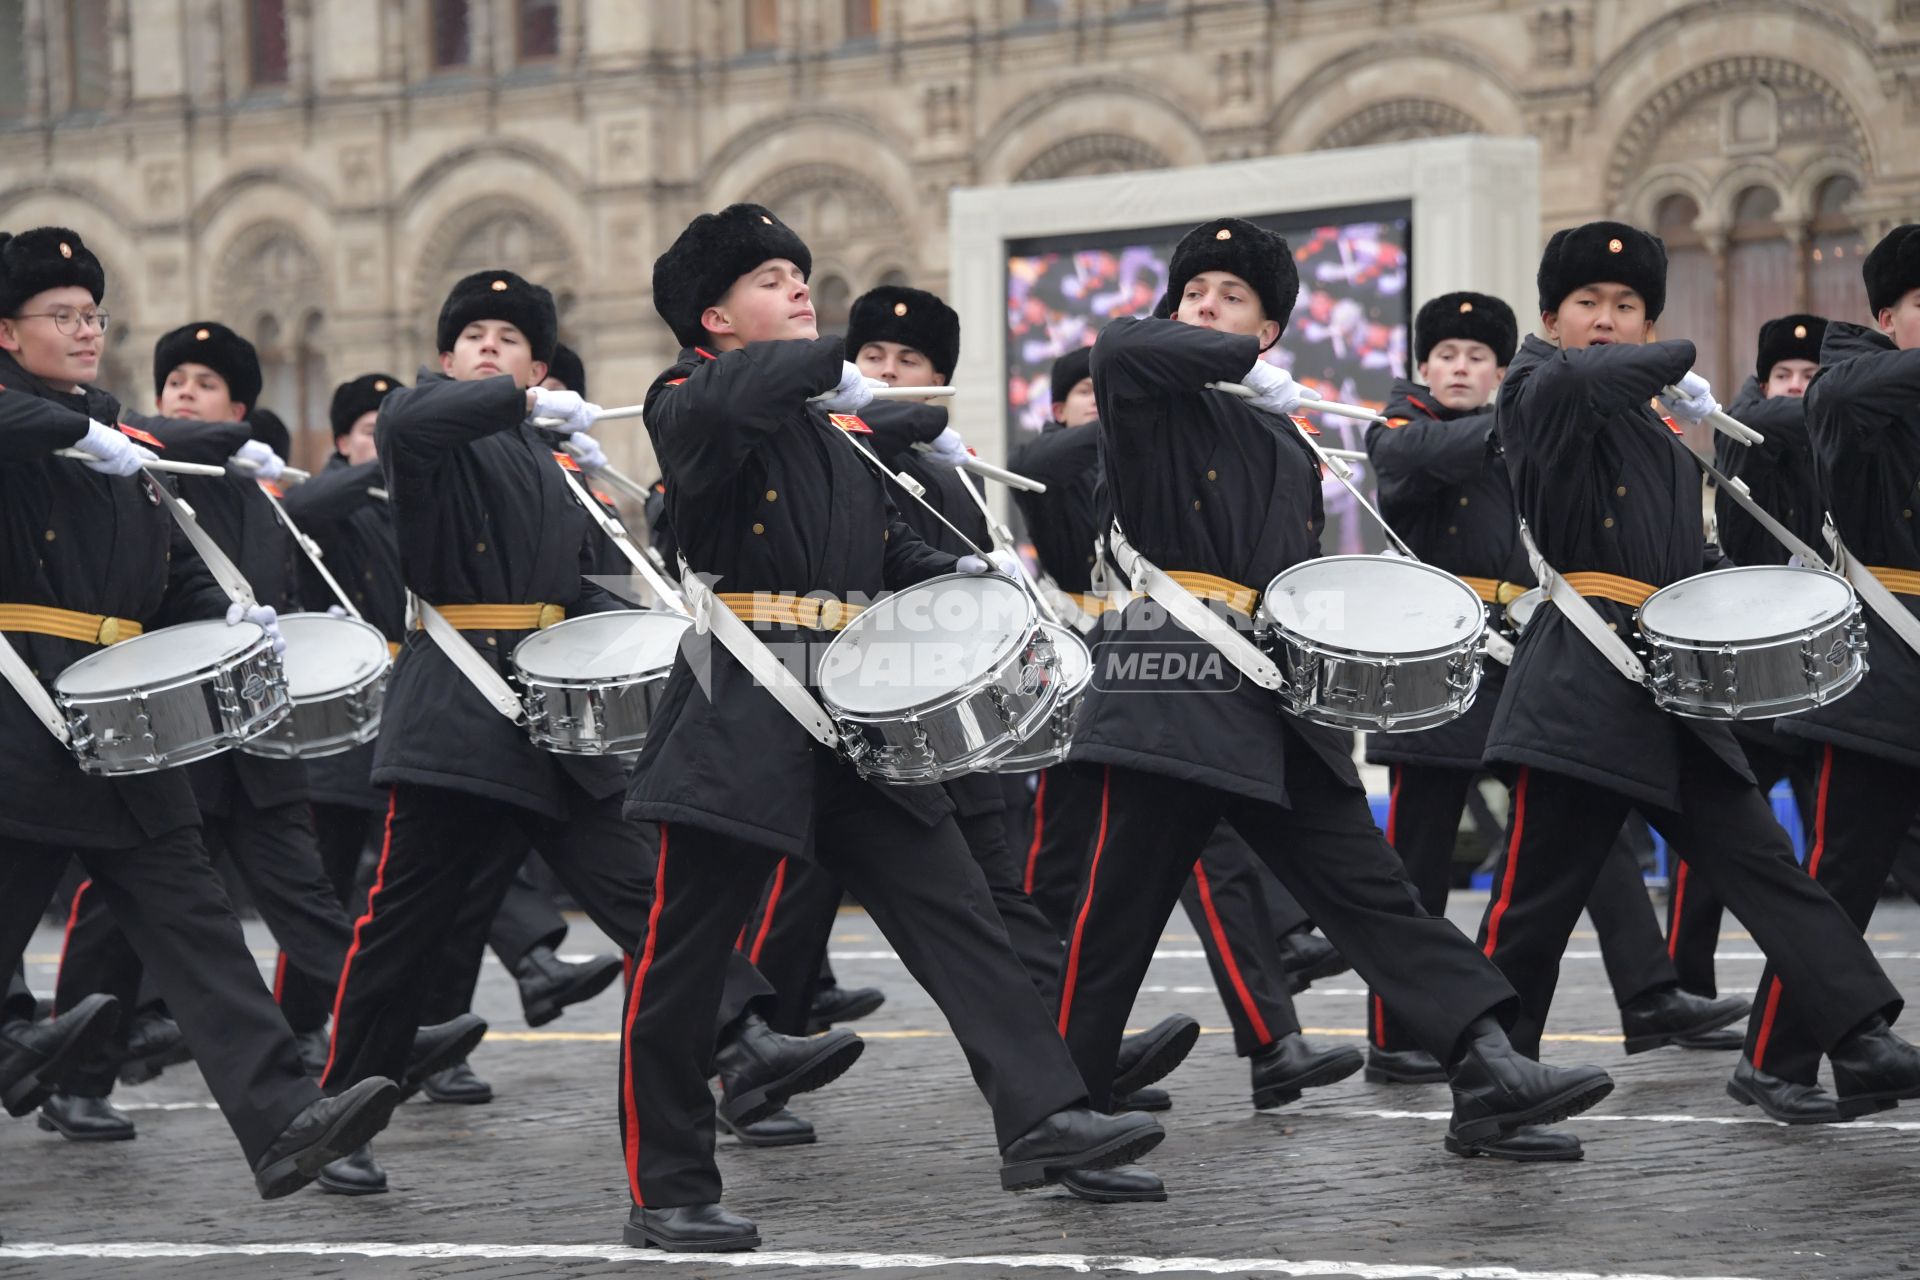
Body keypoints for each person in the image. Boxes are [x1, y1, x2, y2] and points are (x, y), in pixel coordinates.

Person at [624, 203, 1163, 1250]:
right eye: (771, 279)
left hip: (853, 710)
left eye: (800, 273)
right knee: (687, 955)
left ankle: (1044, 1115)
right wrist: (841, 372)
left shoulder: (832, 430)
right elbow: (732, 406)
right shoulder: (690, 400)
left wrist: (967, 575)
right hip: (743, 702)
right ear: (714, 318)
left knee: (958, 911)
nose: (796, 288)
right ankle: (667, 1182)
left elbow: (876, 556)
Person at [1056, 214, 1613, 1168]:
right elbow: (1121, 342)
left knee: (1375, 891)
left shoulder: (1285, 436)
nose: (1205, 306)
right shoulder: (1147, 387)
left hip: (1271, 691)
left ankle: (1482, 1063)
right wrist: (1229, 353)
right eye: (1194, 293)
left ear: (1273, 329)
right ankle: (1058, 1103)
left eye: (1233, 299)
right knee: (1117, 912)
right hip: (1167, 674)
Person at [318, 265, 860, 1204]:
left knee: (646, 887)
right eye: (474, 339)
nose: (491, 349)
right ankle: (342, 1114)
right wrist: (511, 399)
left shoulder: (547, 462)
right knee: (401, 928)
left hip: (550, 713)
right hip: (457, 705)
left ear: (539, 362)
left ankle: (744, 1041)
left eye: (512, 340)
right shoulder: (431, 425)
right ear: (448, 358)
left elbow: (588, 592)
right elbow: (412, 423)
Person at [1474, 218, 1920, 1122]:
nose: (1608, 320)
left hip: (1671, 686)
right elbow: (1590, 382)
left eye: (1628, 306)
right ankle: (1491, 1079)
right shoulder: (1534, 384)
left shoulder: (1662, 426)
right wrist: (1672, 356)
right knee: (1532, 908)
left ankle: (1859, 1039)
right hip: (1581, 678)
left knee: (1768, 869)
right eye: (1589, 304)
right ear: (1552, 317)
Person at [0, 225, 400, 1199]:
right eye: (62, 316)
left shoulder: (114, 432)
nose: (87, 330)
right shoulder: (49, 428)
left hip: (121, 718)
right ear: (8, 332)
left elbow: (164, 562)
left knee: (198, 923)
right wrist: (69, 428)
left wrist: (225, 618)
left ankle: (281, 1117)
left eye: (93, 314)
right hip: (18, 718)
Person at [1362, 292, 1746, 1086]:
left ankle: (1649, 992)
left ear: (1500, 370)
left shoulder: (1528, 425)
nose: (1460, 367)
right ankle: (1397, 1035)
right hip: (1431, 656)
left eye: (1477, 357)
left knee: (1581, 812)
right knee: (1417, 858)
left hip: (1517, 649)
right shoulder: (1402, 427)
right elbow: (1413, 464)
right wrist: (1523, 419)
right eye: (1446, 356)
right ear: (1424, 369)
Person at [1728, 229, 1920, 1121]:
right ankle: (1773, 1060)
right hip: (1878, 667)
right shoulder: (1845, 382)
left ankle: (1835, 1054)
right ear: (1886, 316)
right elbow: (1836, 405)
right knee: (1839, 873)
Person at [1662, 315, 1828, 1009]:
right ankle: (1685, 981)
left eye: (1810, 379)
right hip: (1759, 676)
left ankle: (1820, 987)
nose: (1795, 391)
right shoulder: (1746, 437)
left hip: (1826, 677)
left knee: (1833, 850)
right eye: (1782, 377)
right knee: (1717, 840)